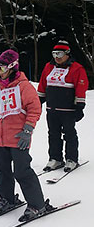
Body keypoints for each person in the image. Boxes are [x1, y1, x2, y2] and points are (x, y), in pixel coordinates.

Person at [0, 49, 51, 222]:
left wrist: (28, 130)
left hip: (19, 137)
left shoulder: (24, 86)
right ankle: (7, 199)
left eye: (2, 67)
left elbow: (34, 108)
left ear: (13, 67)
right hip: (1, 137)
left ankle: (37, 204)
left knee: (22, 171)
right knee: (1, 168)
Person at [38, 40, 89, 172]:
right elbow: (43, 85)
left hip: (68, 110)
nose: (57, 57)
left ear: (67, 54)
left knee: (69, 134)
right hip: (52, 109)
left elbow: (81, 87)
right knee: (53, 134)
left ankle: (71, 159)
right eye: (54, 53)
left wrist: (80, 106)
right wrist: (38, 101)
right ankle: (55, 158)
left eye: (59, 53)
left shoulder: (77, 68)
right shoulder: (49, 67)